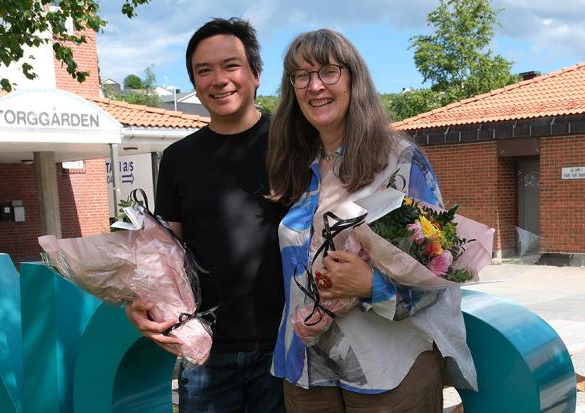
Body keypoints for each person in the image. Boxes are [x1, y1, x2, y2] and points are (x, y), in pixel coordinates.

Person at [266, 29, 476, 412]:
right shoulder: (295, 166)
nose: (315, 86)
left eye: (328, 71)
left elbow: (445, 268)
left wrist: (371, 286)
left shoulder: (400, 162)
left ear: (353, 79)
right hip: (306, 367)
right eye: (301, 76)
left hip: (388, 368)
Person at [124, 17, 286, 413]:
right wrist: (138, 298)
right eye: (204, 70)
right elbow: (165, 252)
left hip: (288, 348)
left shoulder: (292, 145)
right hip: (207, 351)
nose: (219, 79)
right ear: (194, 83)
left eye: (231, 66)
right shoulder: (178, 158)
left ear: (256, 74)